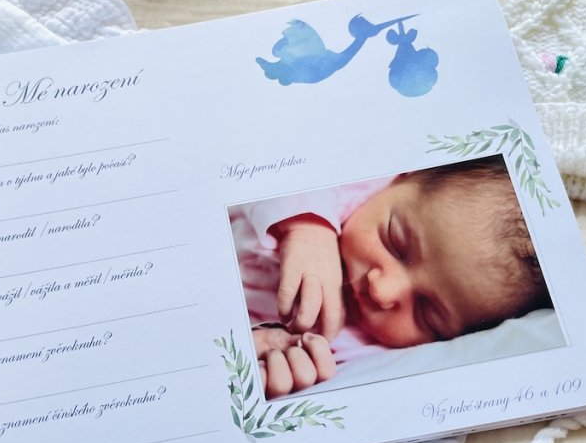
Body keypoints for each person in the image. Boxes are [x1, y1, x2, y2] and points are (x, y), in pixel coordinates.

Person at [229, 155, 550, 398]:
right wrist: (309, 227)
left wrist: (285, 366)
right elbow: (267, 162)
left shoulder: (368, 355)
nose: (382, 290)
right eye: (395, 242)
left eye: (426, 313)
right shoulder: (344, 184)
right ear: (400, 177)